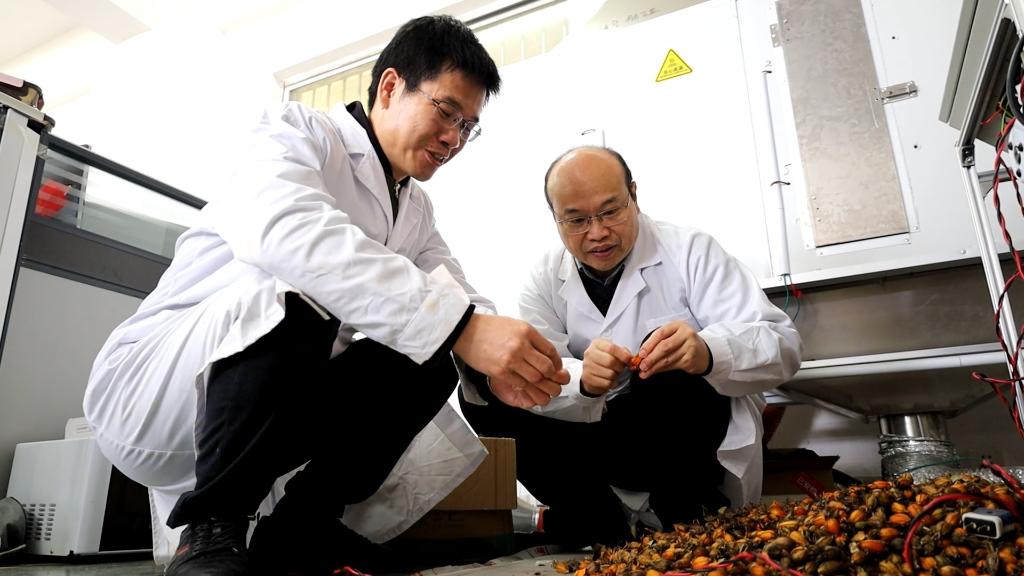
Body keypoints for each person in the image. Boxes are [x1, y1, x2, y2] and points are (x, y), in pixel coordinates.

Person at [83, 15, 568, 576]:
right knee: (302, 285)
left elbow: (460, 298)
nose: (454, 139)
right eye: (445, 112)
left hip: (267, 419)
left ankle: (302, 527)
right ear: (391, 87)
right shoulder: (294, 131)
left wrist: (514, 363)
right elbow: (286, 233)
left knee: (436, 349)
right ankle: (212, 526)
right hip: (154, 392)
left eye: (467, 126)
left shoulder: (415, 210)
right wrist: (461, 325)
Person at [460, 146, 803, 547]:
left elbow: (782, 344)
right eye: (577, 220)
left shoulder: (691, 251)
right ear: (556, 219)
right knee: (484, 386)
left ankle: (684, 517)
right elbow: (537, 381)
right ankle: (599, 524)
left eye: (610, 212)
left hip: (675, 439)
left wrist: (707, 352)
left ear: (634, 197)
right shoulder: (543, 279)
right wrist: (582, 380)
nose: (597, 232)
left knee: (670, 375)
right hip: (597, 442)